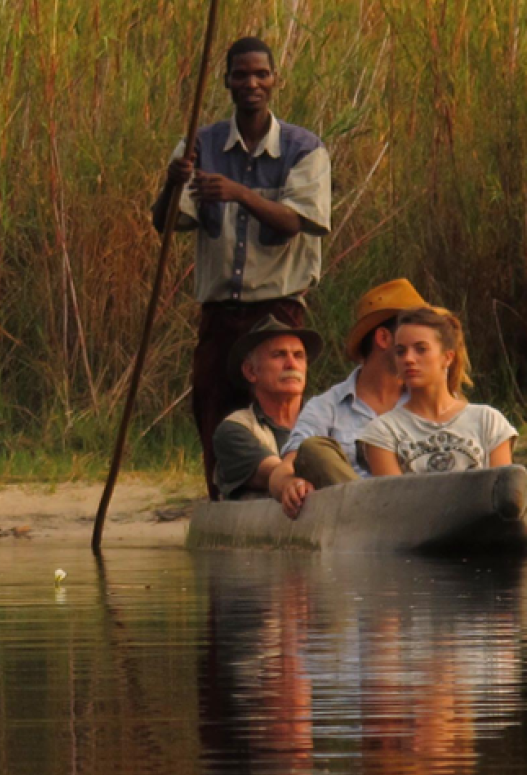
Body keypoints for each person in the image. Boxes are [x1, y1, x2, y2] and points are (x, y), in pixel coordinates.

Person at [154, 36, 332, 500]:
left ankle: (286, 495)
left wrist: (239, 193)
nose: (251, 83)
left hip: (278, 310)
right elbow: (167, 223)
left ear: (274, 81)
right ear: (227, 82)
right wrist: (170, 186)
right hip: (219, 313)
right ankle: (226, 505)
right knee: (215, 413)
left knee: (276, 414)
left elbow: (296, 221)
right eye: (241, 75)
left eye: (260, 74)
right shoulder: (200, 145)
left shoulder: (303, 148)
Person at [278, 278, 430, 477]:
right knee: (313, 450)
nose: (419, 354)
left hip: (425, 504)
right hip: (351, 505)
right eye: (411, 340)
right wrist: (290, 484)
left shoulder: (431, 400)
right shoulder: (326, 408)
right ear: (383, 338)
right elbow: (290, 466)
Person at [357, 307, 517, 475]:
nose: (408, 359)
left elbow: (502, 490)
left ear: (447, 357)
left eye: (421, 349)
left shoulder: (488, 421)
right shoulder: (382, 431)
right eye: (400, 351)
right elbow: (394, 498)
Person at [210, 317, 323, 501]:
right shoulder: (234, 429)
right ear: (251, 372)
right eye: (278, 355)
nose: (291, 364)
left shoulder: (329, 416)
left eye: (298, 355)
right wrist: (292, 483)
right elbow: (275, 473)